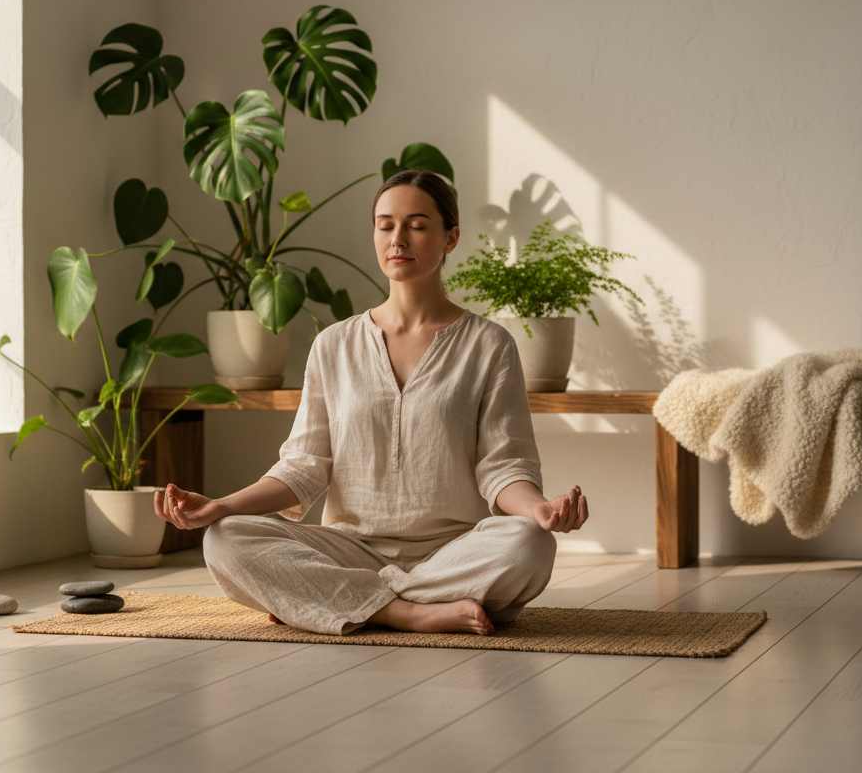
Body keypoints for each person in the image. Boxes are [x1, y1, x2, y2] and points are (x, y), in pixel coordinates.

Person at [154, 169, 589, 636]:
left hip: (454, 550)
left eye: (417, 226)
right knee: (226, 537)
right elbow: (303, 467)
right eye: (385, 225)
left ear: (450, 238)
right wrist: (220, 506)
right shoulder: (333, 345)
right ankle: (410, 612)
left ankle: (331, 600)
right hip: (349, 548)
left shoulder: (489, 345)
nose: (398, 239)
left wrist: (540, 510)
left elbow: (504, 467)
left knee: (530, 545)